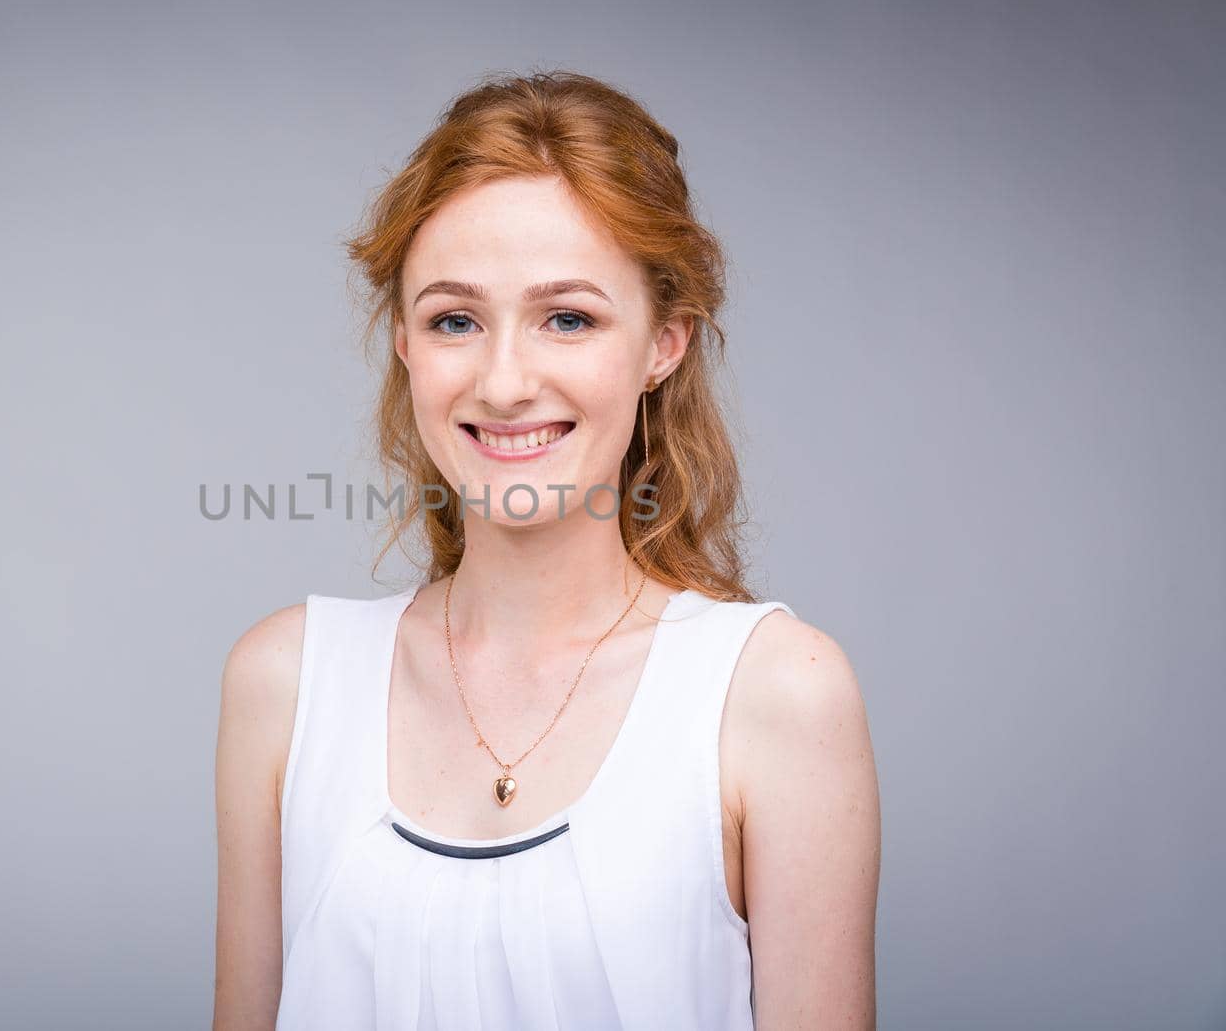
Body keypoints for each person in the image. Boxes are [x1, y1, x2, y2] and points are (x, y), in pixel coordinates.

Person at [214, 69, 880, 1030]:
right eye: (455, 320)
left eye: (568, 316)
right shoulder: (283, 679)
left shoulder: (776, 693)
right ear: (404, 342)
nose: (505, 379)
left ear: (665, 343)